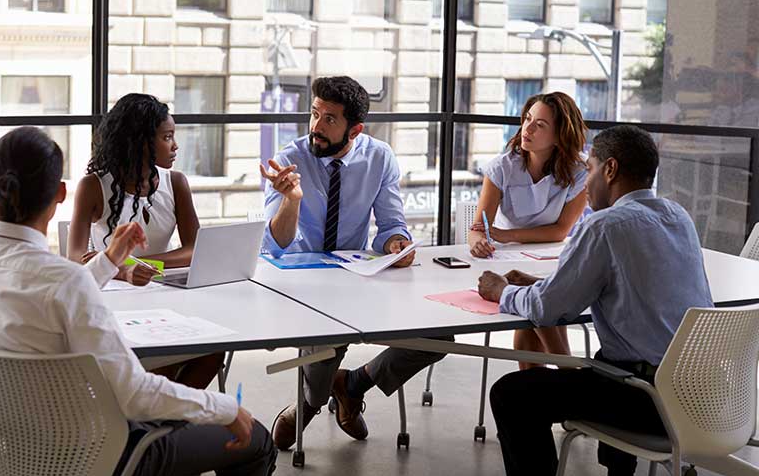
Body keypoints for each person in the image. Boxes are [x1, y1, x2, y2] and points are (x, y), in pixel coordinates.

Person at [0, 127, 277, 476]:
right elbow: (134, 395)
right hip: (101, 454)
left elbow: (55, 293)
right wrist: (226, 409)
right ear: (59, 194)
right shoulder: (62, 280)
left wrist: (109, 260)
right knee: (255, 440)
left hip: (14, 450)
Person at [477, 125, 713, 476]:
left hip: (649, 399)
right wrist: (552, 283)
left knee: (512, 396)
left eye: (589, 169)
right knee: (608, 362)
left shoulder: (604, 225)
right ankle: (620, 472)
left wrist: (501, 292)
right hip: (699, 392)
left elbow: (547, 310)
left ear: (611, 170)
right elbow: (633, 283)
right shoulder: (678, 216)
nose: (585, 182)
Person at [261, 75, 449, 450]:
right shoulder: (288, 160)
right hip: (302, 281)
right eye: (315, 114)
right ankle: (308, 406)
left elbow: (392, 226)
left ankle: (353, 383)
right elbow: (276, 244)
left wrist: (398, 243)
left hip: (356, 275)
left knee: (438, 337)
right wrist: (291, 200)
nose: (316, 126)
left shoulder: (379, 157)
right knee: (324, 343)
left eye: (329, 119)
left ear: (355, 128)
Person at [69, 93, 224, 390]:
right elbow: (75, 259)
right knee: (150, 357)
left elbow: (195, 249)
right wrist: (122, 270)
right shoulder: (93, 186)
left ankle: (160, 422)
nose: (176, 145)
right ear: (140, 141)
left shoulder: (175, 182)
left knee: (215, 350)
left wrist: (140, 263)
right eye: (167, 137)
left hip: (164, 297)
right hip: (113, 300)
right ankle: (156, 419)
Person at [468, 92, 588, 369]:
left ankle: (564, 376)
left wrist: (504, 235)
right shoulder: (502, 167)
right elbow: (478, 228)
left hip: (554, 258)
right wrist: (478, 241)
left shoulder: (580, 171)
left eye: (540, 124)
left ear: (560, 136)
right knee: (535, 310)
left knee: (536, 305)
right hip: (510, 261)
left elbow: (560, 231)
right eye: (527, 120)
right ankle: (566, 374)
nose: (528, 129)